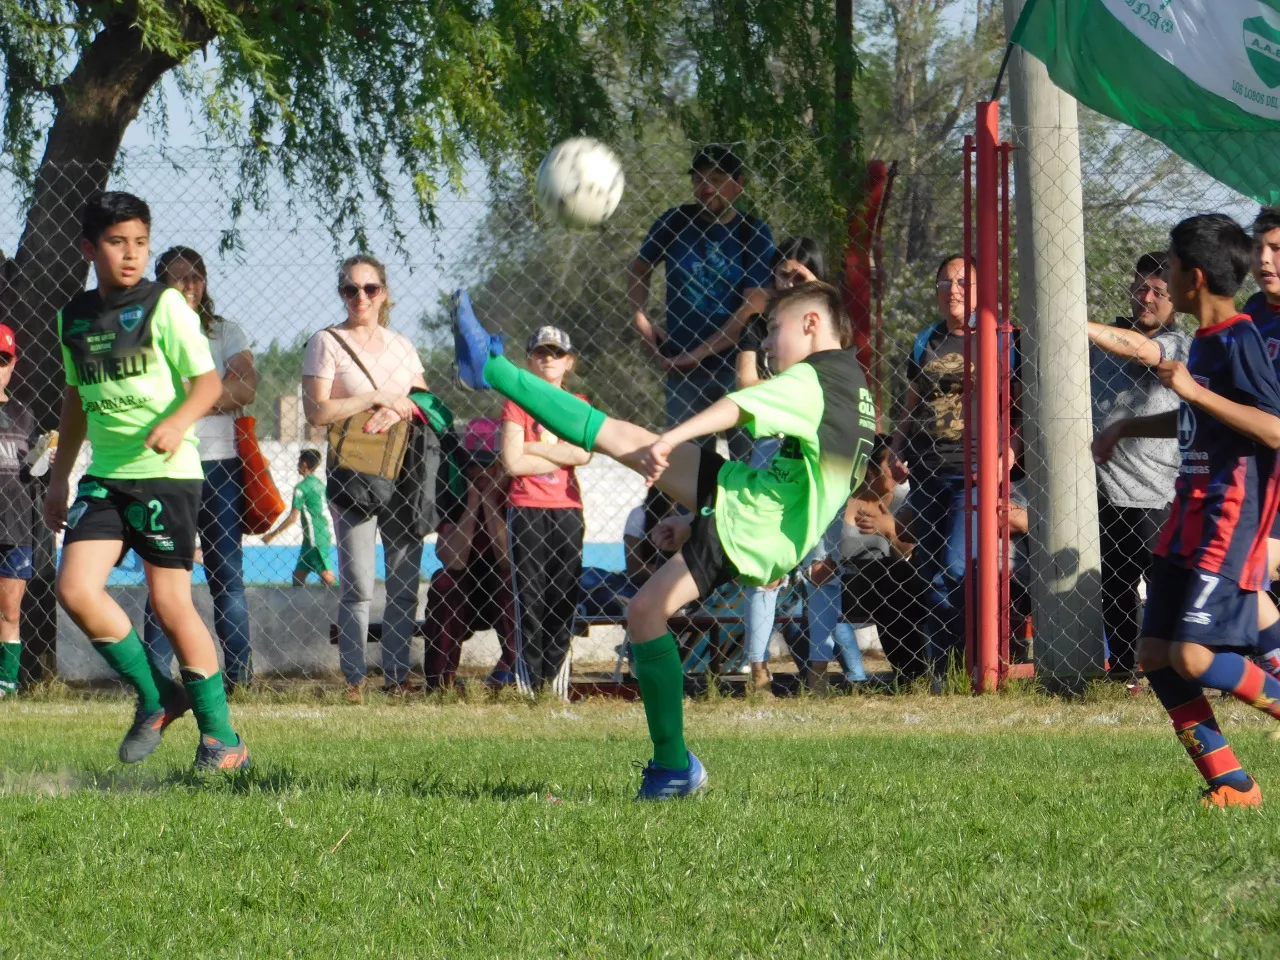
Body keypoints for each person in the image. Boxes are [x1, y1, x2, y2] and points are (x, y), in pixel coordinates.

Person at [455, 278, 876, 799]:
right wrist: (702, 514)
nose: (766, 345)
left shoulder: (814, 380)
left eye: (773, 330)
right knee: (622, 436)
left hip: (751, 526)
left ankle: (673, 765)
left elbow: (739, 405)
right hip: (750, 508)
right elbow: (799, 480)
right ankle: (491, 368)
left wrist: (676, 439)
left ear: (811, 324)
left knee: (644, 612)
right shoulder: (852, 385)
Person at [43, 191, 248, 770]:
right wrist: (61, 479)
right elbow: (77, 399)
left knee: (169, 601)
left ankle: (223, 741)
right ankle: (159, 695)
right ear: (90, 248)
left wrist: (176, 422)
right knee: (76, 590)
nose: (130, 255)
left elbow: (207, 385)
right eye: (116, 243)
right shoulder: (74, 319)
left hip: (167, 476)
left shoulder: (165, 307)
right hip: (106, 477)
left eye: (140, 242)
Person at [1093, 213, 1280, 808]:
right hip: (1188, 510)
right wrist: (1130, 424)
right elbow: (1199, 415)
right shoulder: (1202, 340)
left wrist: (1193, 391)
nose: (1162, 278)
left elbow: (1273, 429)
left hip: (1230, 513)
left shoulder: (1241, 338)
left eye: (1168, 268)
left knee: (1195, 656)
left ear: (1192, 276)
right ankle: (1232, 783)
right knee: (1154, 656)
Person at [302, 254, 430, 700]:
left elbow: (424, 404)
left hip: (404, 471)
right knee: (357, 583)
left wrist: (400, 405)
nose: (360, 297)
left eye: (370, 289)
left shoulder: (403, 346)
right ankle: (354, 678)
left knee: (403, 581)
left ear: (384, 294)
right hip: (354, 471)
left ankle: (396, 676)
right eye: (350, 289)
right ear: (341, 293)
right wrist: (374, 397)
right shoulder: (327, 342)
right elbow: (316, 412)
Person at [893, 254, 1018, 675]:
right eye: (945, 283)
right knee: (930, 571)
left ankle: (976, 661)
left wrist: (1009, 455)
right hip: (928, 468)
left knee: (957, 566)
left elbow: (1020, 408)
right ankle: (940, 671)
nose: (953, 291)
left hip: (977, 471)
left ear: (983, 290)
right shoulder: (926, 339)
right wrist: (896, 447)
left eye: (963, 282)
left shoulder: (1003, 339)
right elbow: (911, 403)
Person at [142, 247, 257, 690]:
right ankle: (156, 679)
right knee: (165, 576)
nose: (189, 287)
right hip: (166, 466)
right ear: (161, 284)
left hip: (219, 467)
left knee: (226, 575)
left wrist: (187, 405)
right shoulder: (150, 333)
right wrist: (211, 396)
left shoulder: (224, 331)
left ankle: (239, 678)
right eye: (177, 278)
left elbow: (245, 385)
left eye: (196, 277)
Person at [628, 144, 775, 459]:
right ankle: (693, 512)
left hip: (740, 369)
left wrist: (698, 353)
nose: (707, 187)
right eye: (699, 179)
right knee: (688, 465)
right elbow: (639, 271)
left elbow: (754, 306)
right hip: (683, 372)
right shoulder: (675, 222)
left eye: (718, 177)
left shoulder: (754, 232)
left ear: (739, 182)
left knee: (749, 460)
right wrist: (641, 320)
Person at [1087, 252, 1189, 682]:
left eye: (1159, 292)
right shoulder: (1103, 340)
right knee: (1113, 582)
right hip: (1099, 486)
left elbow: (1146, 353)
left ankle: (1182, 666)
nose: (1146, 298)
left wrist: (1076, 322)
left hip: (1155, 490)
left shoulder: (1180, 343)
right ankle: (1124, 671)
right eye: (1141, 288)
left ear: (1174, 301)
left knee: (1165, 581)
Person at [738, 236, 824, 692]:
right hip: (771, 444)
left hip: (817, 447)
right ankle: (757, 669)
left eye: (801, 276)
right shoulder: (759, 325)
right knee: (765, 564)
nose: (789, 283)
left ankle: (820, 669)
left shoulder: (826, 329)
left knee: (821, 561)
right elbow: (747, 383)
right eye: (782, 275)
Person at [500, 326, 590, 700]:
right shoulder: (516, 403)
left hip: (566, 509)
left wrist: (532, 449)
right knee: (531, 599)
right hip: (527, 510)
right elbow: (511, 462)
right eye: (540, 353)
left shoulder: (578, 403)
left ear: (568, 362)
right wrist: (555, 452)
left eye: (556, 353)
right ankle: (530, 686)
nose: (548, 359)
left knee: (563, 596)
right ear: (529, 361)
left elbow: (583, 454)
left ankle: (554, 684)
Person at [422, 420, 517, 690]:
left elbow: (506, 559)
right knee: (443, 582)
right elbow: (453, 560)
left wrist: (490, 503)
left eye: (488, 465)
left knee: (508, 581)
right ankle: (440, 684)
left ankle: (522, 674)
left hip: (500, 587)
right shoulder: (456, 494)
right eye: (472, 465)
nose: (479, 473)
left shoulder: (514, 498)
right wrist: (474, 503)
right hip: (466, 588)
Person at [0, 324, 37, 698]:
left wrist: (46, 459)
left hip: (15, 524)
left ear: (13, 363)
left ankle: (6, 685)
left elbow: (32, 468)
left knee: (10, 611)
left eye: (3, 359)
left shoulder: (24, 413)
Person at [262, 448, 336, 587]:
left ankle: (344, 598)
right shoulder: (320, 485)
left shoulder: (302, 488)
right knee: (298, 576)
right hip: (317, 535)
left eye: (299, 461)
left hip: (314, 536)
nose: (297, 464)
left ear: (304, 464)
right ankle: (303, 606)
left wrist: (272, 535)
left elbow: (293, 517)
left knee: (327, 576)